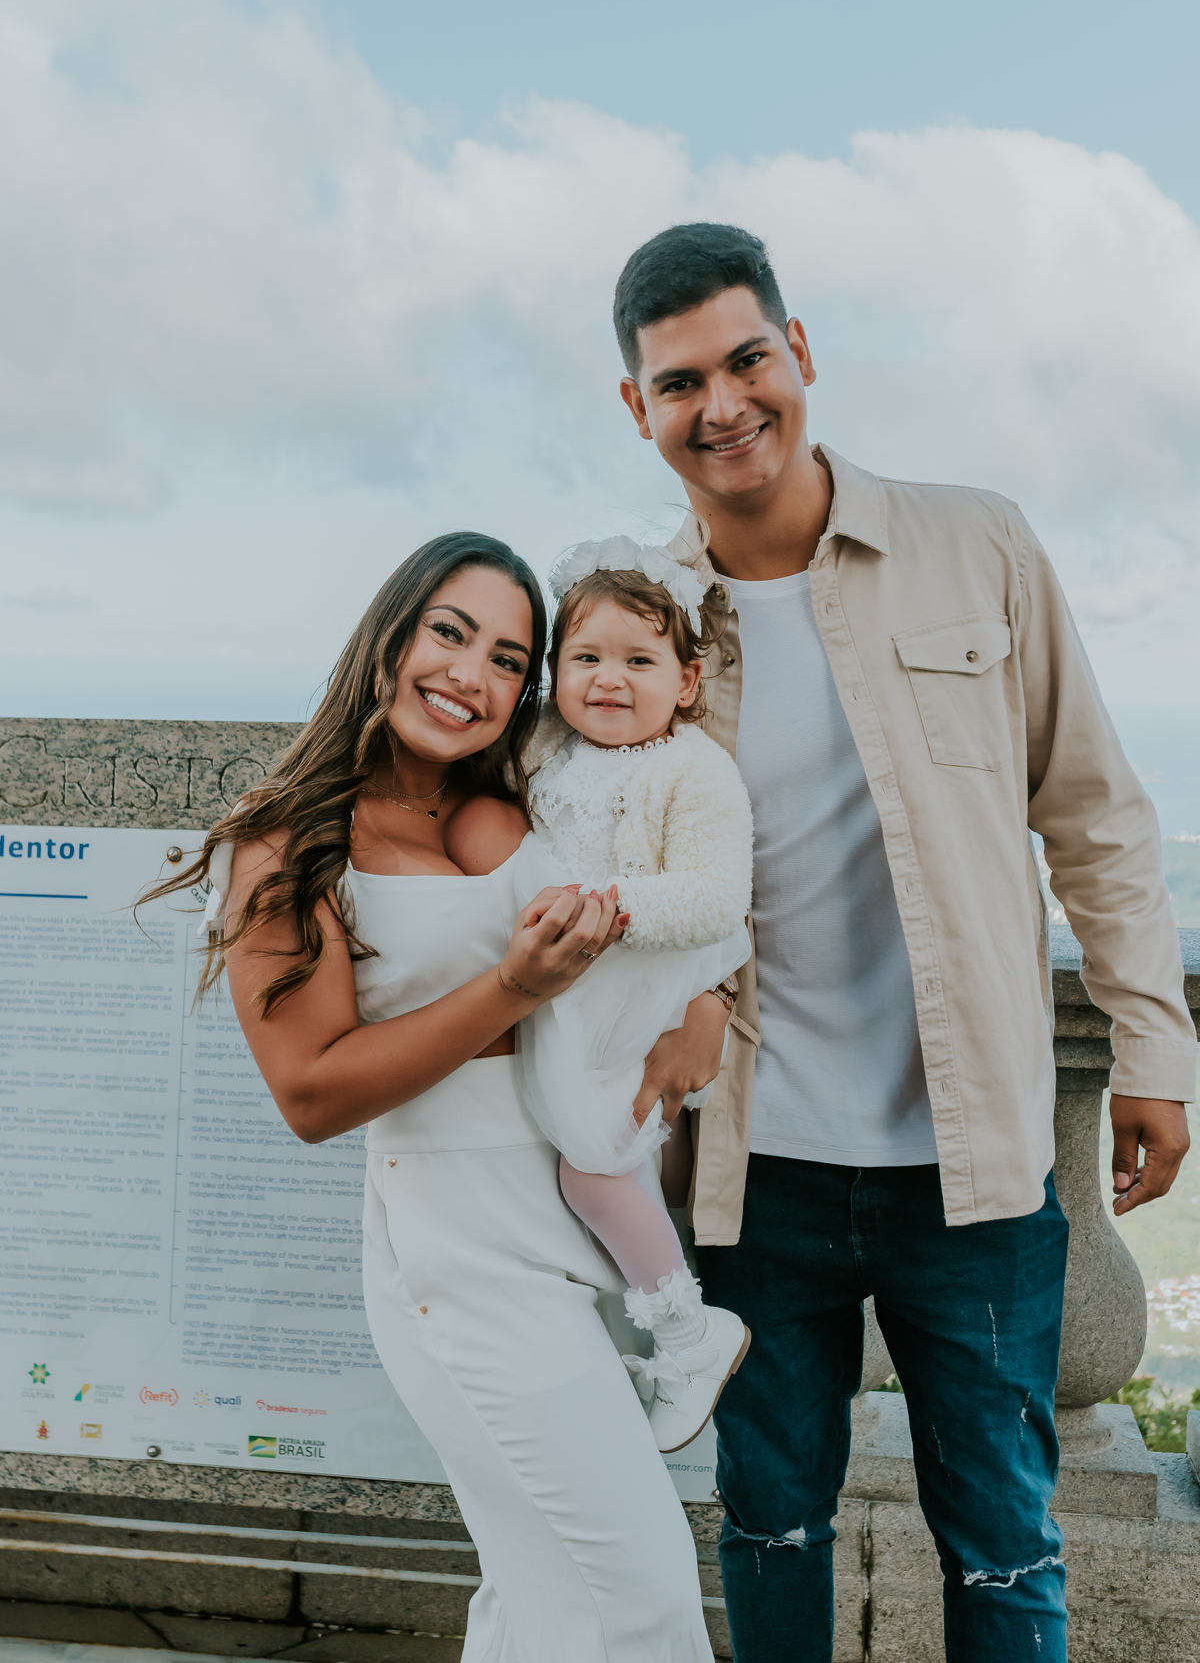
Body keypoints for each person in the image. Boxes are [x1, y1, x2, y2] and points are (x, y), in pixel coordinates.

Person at [611, 223, 1195, 1663]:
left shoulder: (976, 539)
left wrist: (1153, 1042)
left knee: (1005, 1550)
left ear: (799, 352)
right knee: (767, 1526)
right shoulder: (636, 616)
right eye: (681, 381)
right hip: (752, 1175)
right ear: (640, 409)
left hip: (979, 1160)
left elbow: (1099, 813)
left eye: (749, 358)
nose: (725, 402)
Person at [141, 532, 717, 1663]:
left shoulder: (512, 810)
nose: (471, 674)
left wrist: (709, 995)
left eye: (509, 657)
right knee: (642, 1595)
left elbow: (633, 918)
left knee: (543, 1593)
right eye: (450, 633)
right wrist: (513, 983)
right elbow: (310, 1091)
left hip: (572, 1218)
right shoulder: (289, 841)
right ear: (391, 637)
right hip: (453, 1244)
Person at [460, 535, 754, 1452]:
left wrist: (605, 906)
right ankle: (640, 1338)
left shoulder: (692, 769)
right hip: (571, 985)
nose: (609, 680)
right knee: (563, 1160)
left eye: (639, 660)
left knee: (594, 1159)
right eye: (584, 658)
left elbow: (714, 896)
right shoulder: (549, 743)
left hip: (636, 981)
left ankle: (688, 1333)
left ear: (688, 680)